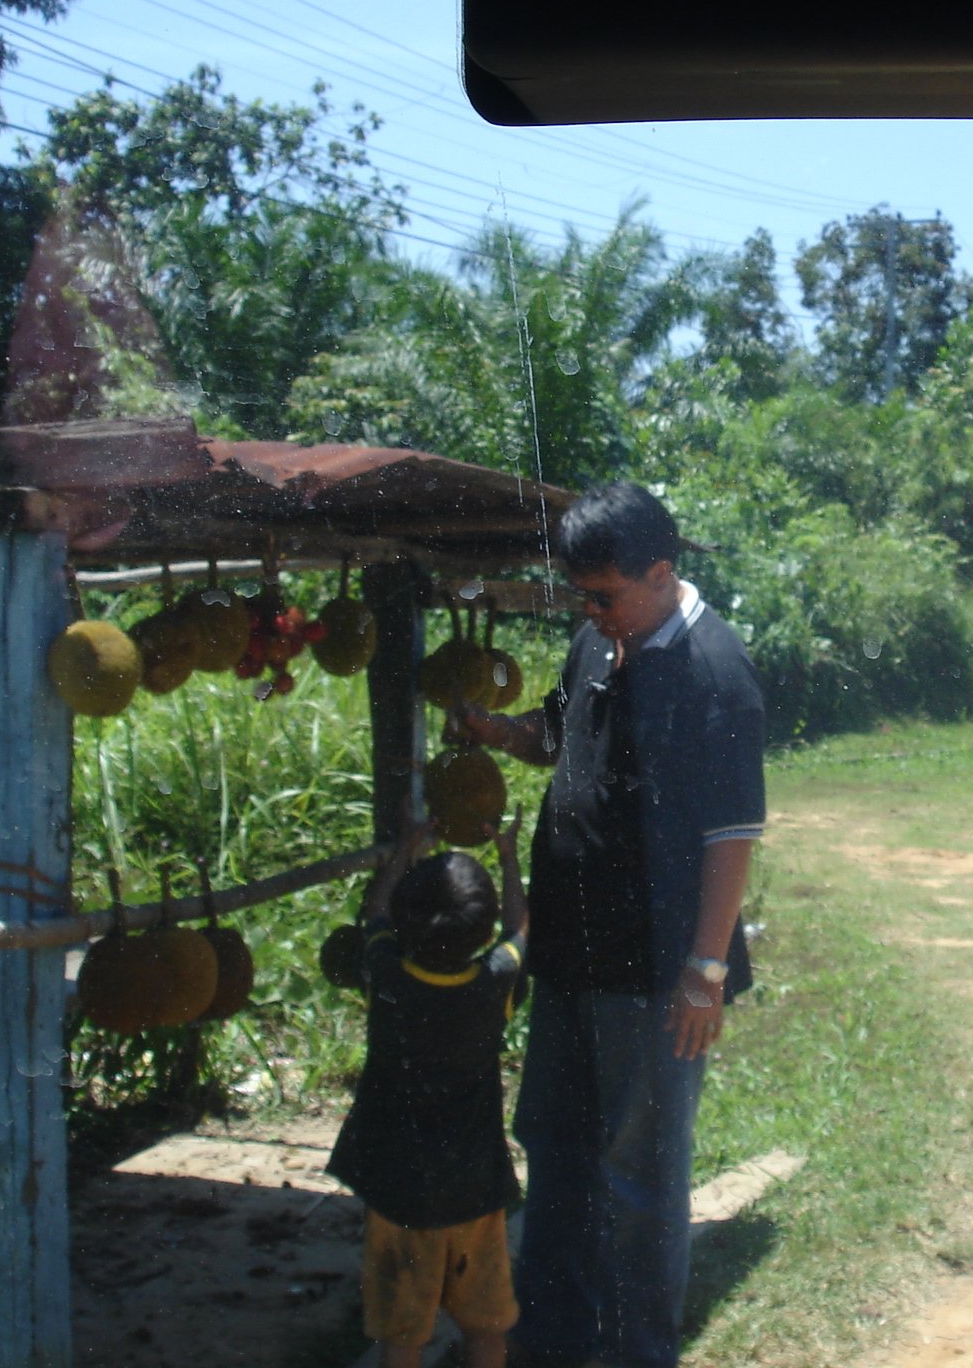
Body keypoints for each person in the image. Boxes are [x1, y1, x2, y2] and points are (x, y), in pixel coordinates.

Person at [455, 482, 767, 1368]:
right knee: (553, 1146)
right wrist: (496, 731)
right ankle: (550, 1340)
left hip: (656, 976)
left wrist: (705, 970)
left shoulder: (715, 670)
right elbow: (559, 735)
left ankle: (636, 1353)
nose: (592, 614)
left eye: (605, 596)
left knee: (639, 1176)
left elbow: (732, 834)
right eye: (583, 598)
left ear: (662, 573)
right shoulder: (599, 639)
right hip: (570, 956)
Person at [327, 816, 528, 1368]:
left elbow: (374, 916)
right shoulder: (493, 985)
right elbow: (520, 932)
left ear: (407, 927)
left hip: (399, 1194)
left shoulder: (386, 977)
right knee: (487, 1330)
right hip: (474, 1191)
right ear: (482, 932)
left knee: (403, 1339)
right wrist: (508, 856)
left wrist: (405, 849)